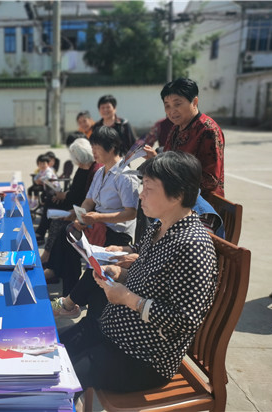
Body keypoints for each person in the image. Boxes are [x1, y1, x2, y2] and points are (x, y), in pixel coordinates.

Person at [60, 151, 218, 396]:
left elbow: (185, 321)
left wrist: (128, 299)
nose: (140, 195)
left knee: (61, 379)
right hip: (113, 331)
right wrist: (118, 274)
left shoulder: (193, 246)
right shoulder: (159, 226)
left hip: (144, 356)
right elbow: (145, 274)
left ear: (177, 194)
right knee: (53, 348)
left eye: (148, 188)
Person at [47, 126, 139, 297]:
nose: (93, 152)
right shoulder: (99, 172)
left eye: (97, 148)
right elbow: (89, 201)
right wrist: (81, 217)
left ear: (111, 148)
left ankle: (72, 296)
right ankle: (67, 289)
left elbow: (131, 213)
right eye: (92, 147)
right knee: (68, 235)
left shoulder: (126, 176)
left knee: (92, 262)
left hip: (115, 233)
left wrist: (98, 217)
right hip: (97, 225)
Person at [144, 78, 225, 198]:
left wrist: (171, 174)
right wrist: (155, 160)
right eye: (167, 106)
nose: (172, 111)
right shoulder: (176, 128)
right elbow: (168, 161)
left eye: (177, 104)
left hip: (200, 204)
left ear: (194, 102)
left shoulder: (208, 130)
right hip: (176, 198)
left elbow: (210, 180)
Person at [40, 138, 101, 295]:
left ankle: (52, 267)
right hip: (80, 210)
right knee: (57, 220)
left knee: (64, 232)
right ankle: (53, 267)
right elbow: (80, 195)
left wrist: (76, 213)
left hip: (90, 216)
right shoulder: (84, 169)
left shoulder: (95, 171)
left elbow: (88, 200)